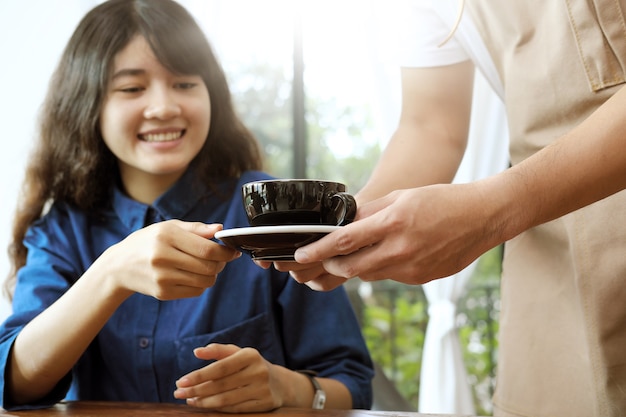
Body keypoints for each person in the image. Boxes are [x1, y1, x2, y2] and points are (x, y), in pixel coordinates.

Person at [0, 0, 373, 412]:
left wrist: (289, 388)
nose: (164, 107)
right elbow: (12, 383)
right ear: (87, 105)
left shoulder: (269, 213)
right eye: (131, 88)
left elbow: (351, 384)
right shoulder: (62, 231)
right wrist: (110, 274)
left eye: (184, 83)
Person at [270, 1, 626, 416]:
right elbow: (430, 126)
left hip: (530, 203)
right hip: (551, 261)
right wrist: (350, 225)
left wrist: (494, 210)